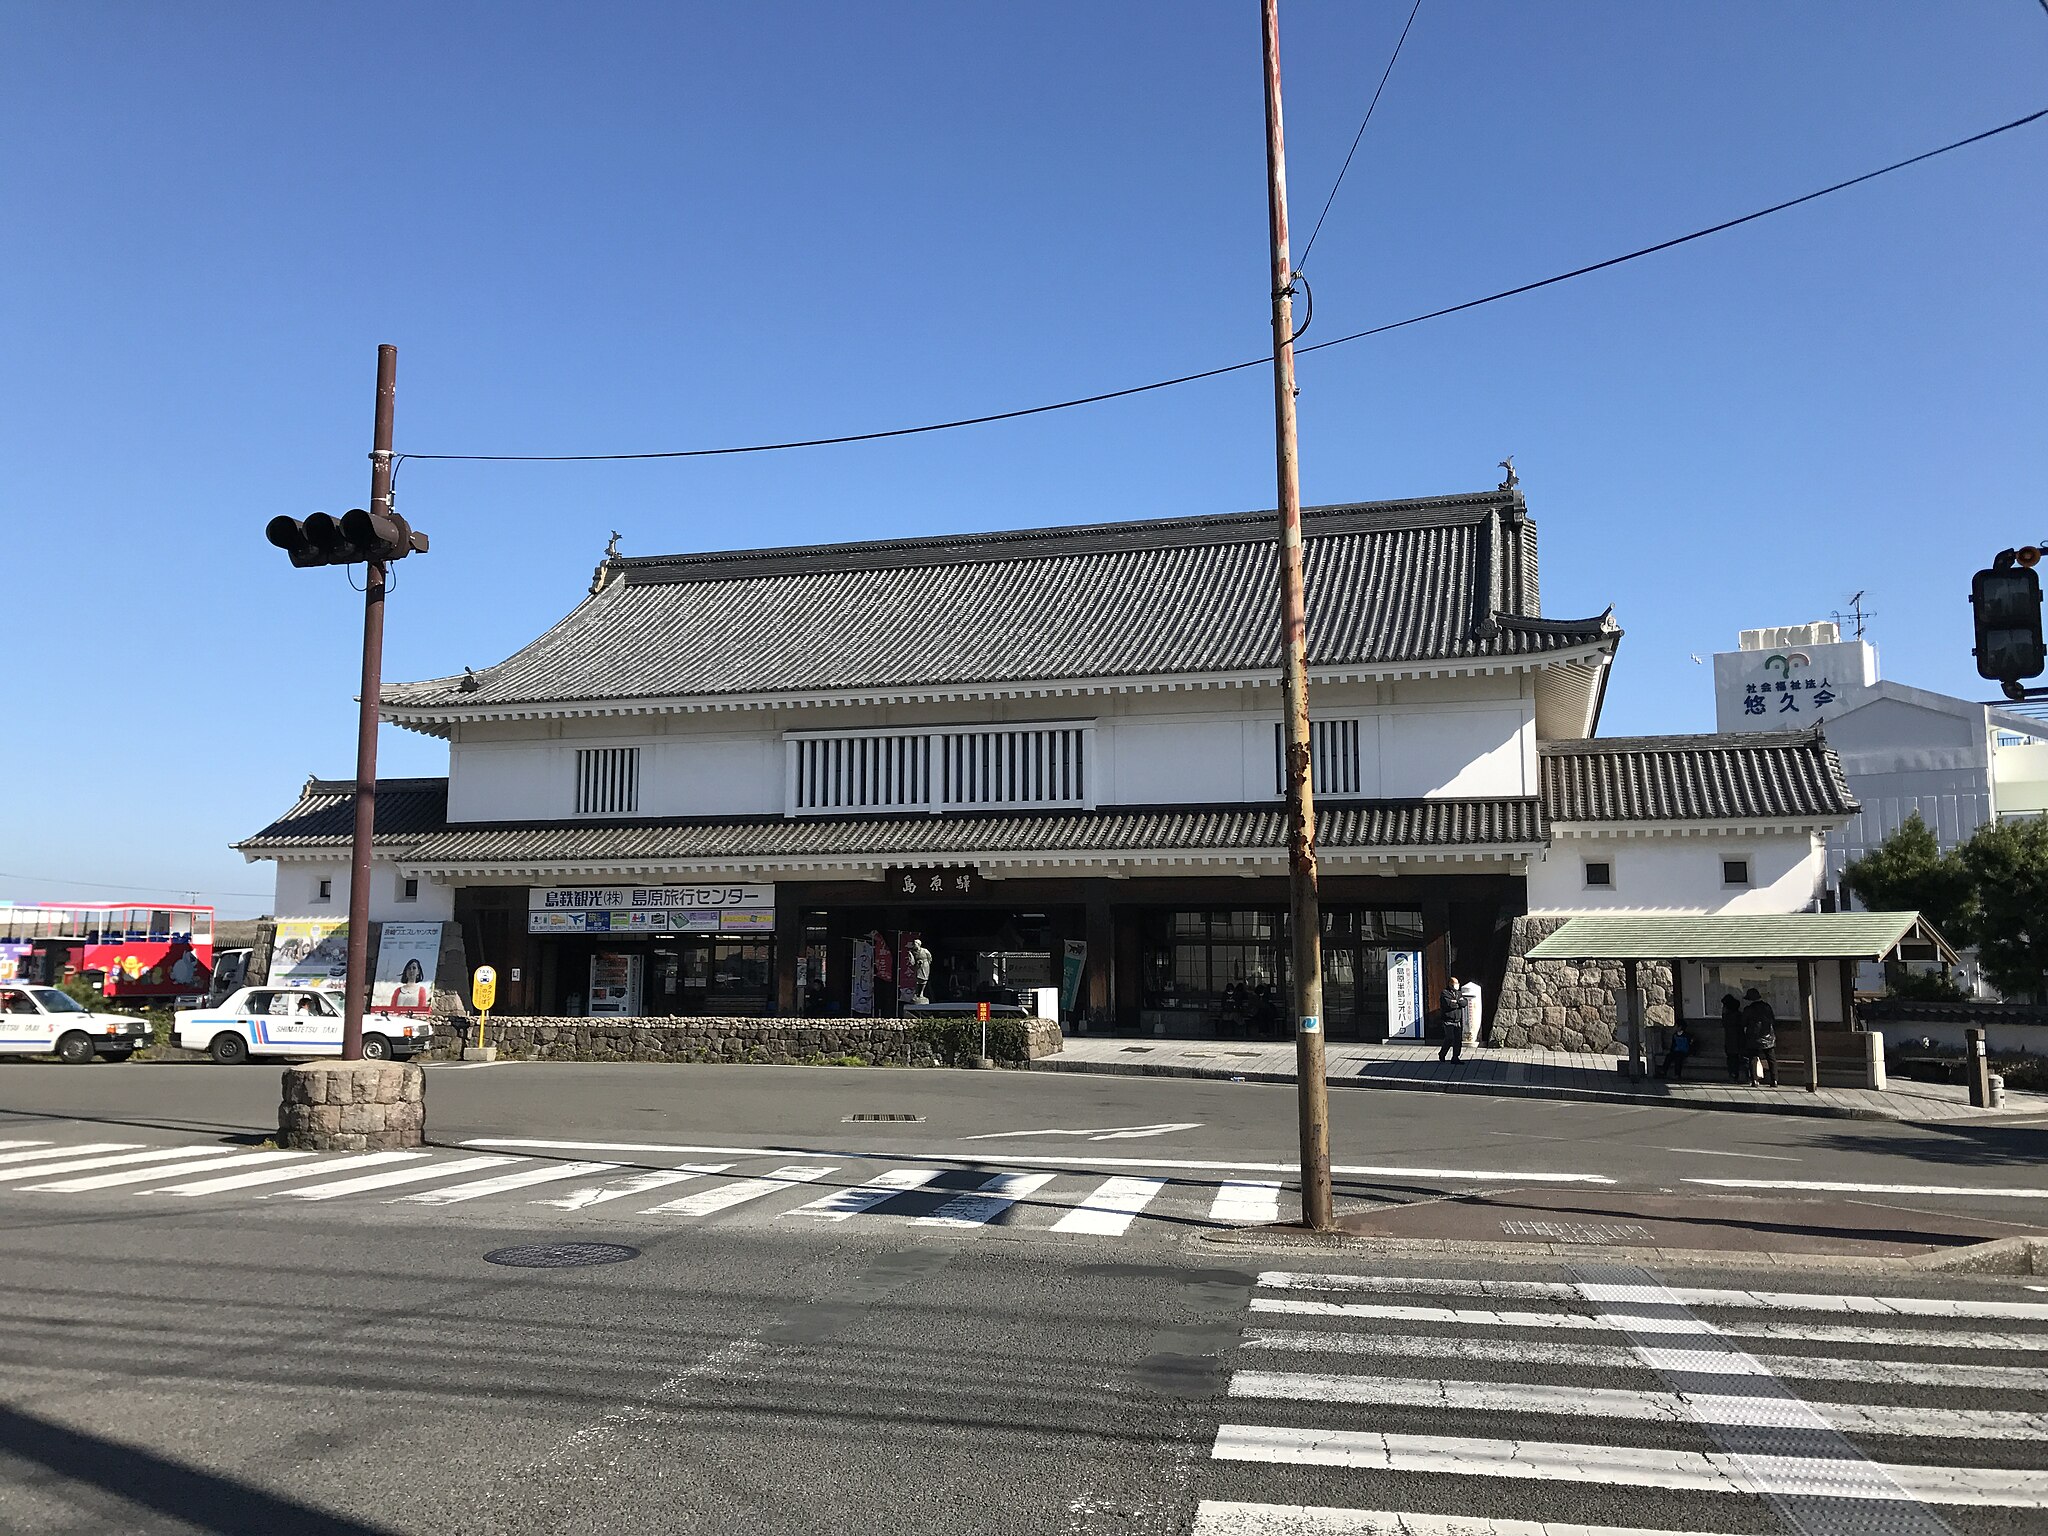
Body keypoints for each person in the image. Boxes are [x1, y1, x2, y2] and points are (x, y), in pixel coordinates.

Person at [1741, 987, 1780, 1086]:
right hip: (1768, 1036)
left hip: (1753, 1037)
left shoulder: (1748, 1009)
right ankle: (1774, 1080)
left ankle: (1754, 1080)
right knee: (1771, 1059)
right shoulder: (1767, 1007)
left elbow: (1743, 1022)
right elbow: (1773, 1020)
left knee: (1753, 1058)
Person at [1438, 976, 1467, 1064]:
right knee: (1450, 1038)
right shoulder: (1445, 993)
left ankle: (1455, 1057)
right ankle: (1442, 1053)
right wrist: (1457, 1003)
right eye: (1455, 984)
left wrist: (1456, 1002)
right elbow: (1449, 1005)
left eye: (1457, 983)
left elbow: (1464, 1002)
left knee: (1458, 1040)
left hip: (1457, 1020)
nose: (1457, 985)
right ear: (1450, 984)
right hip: (1448, 1020)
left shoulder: (1459, 993)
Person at [1719, 993, 1747, 1082]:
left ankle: (1733, 1074)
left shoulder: (1727, 1016)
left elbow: (1724, 1024)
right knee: (1741, 1058)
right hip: (1740, 1038)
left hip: (1731, 1039)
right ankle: (1745, 1075)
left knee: (1732, 1058)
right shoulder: (1739, 1015)